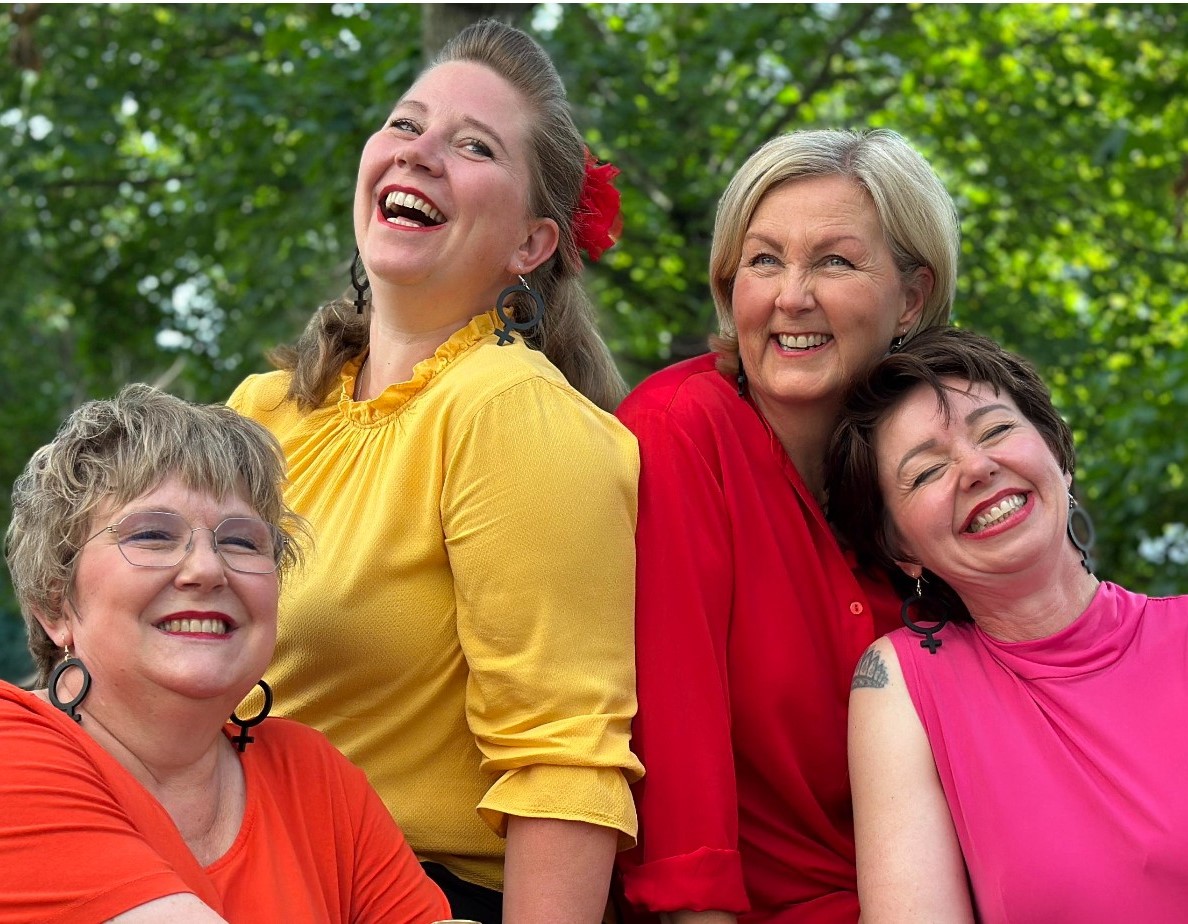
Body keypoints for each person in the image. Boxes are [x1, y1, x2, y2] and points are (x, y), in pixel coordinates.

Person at [227, 19, 642, 924]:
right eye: (407, 124)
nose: (419, 153)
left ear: (532, 245)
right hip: (215, 870)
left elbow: (564, 760)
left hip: (402, 896)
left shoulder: (510, 412)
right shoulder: (261, 413)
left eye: (474, 146)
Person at [614, 129, 961, 923]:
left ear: (911, 297)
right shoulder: (682, 429)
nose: (791, 297)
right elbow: (676, 741)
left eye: (834, 262)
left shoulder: (936, 462)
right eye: (764, 261)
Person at [0, 384, 450, 924]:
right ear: (55, 602)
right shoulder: (10, 745)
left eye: (240, 542)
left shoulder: (311, 774)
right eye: (152, 535)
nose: (208, 569)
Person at [829, 327, 1188, 923]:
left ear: (1059, 457)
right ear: (900, 548)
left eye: (995, 431)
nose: (976, 467)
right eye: (926, 472)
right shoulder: (905, 684)